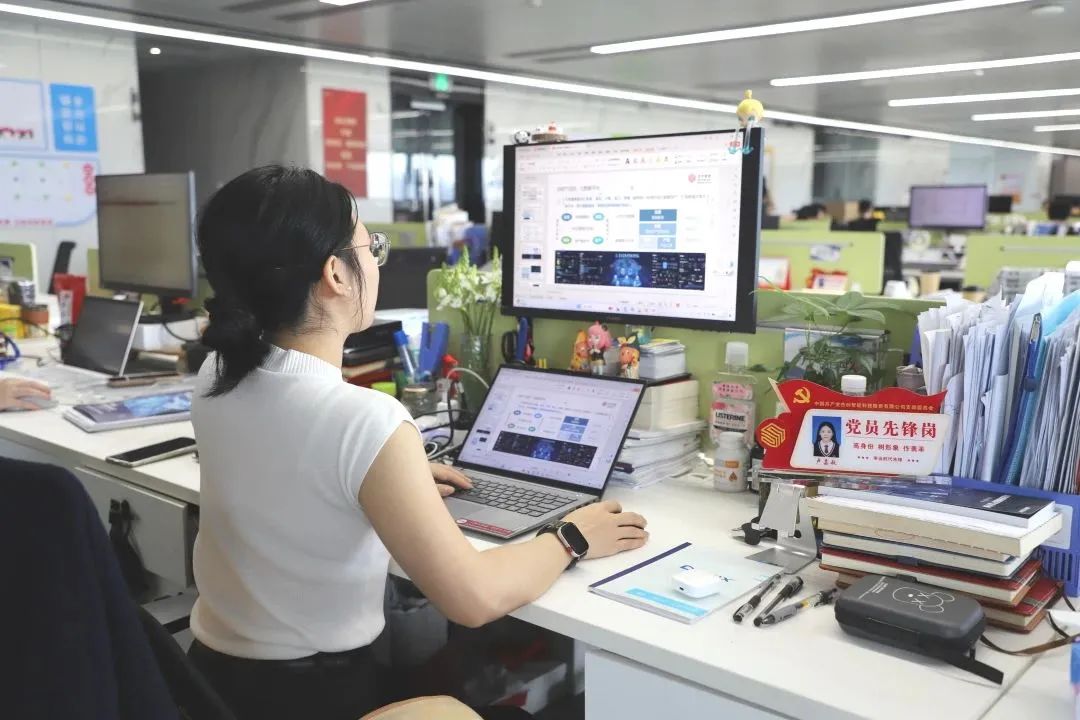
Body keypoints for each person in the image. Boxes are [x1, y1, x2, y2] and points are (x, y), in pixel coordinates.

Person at [188, 166, 649, 720]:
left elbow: (285, 459)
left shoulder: (218, 373)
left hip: (213, 687)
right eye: (370, 248)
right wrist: (572, 537)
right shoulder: (364, 420)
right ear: (336, 274)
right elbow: (473, 598)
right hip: (318, 701)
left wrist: (385, 478)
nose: (374, 262)